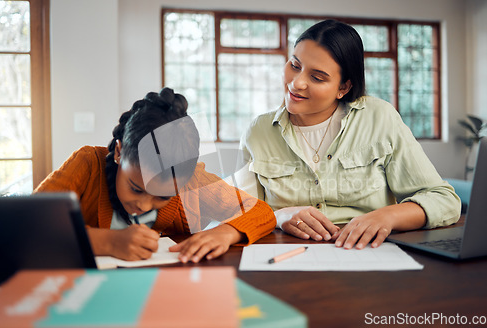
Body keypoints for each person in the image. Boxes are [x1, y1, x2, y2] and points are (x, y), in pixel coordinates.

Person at [237, 19, 460, 250]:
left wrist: (387, 216)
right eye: (295, 65)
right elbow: (240, 214)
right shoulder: (258, 131)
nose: (297, 83)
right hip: (287, 254)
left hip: (367, 254)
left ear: (343, 88)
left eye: (317, 77)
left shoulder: (379, 118)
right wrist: (280, 216)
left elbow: (443, 200)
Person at [35, 88, 276, 263]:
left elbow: (261, 212)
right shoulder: (87, 164)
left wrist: (224, 233)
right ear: (119, 152)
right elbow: (28, 224)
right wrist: (108, 242)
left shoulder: (191, 182)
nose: (143, 204)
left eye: (162, 197)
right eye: (136, 188)